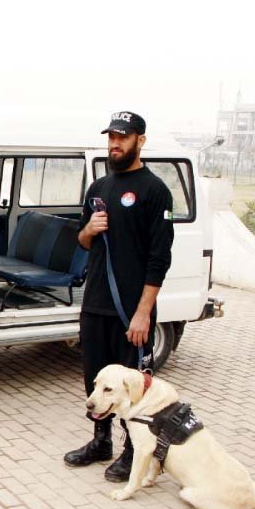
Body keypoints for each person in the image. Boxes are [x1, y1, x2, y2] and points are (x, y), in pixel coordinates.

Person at [63, 111, 174, 481]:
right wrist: (90, 230)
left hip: (132, 310)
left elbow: (159, 259)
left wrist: (144, 313)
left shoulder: (154, 190)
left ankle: (134, 450)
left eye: (123, 137)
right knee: (96, 379)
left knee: (134, 386)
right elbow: (81, 240)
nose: (115, 143)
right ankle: (100, 441)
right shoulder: (98, 189)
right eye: (111, 136)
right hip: (95, 303)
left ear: (140, 140)